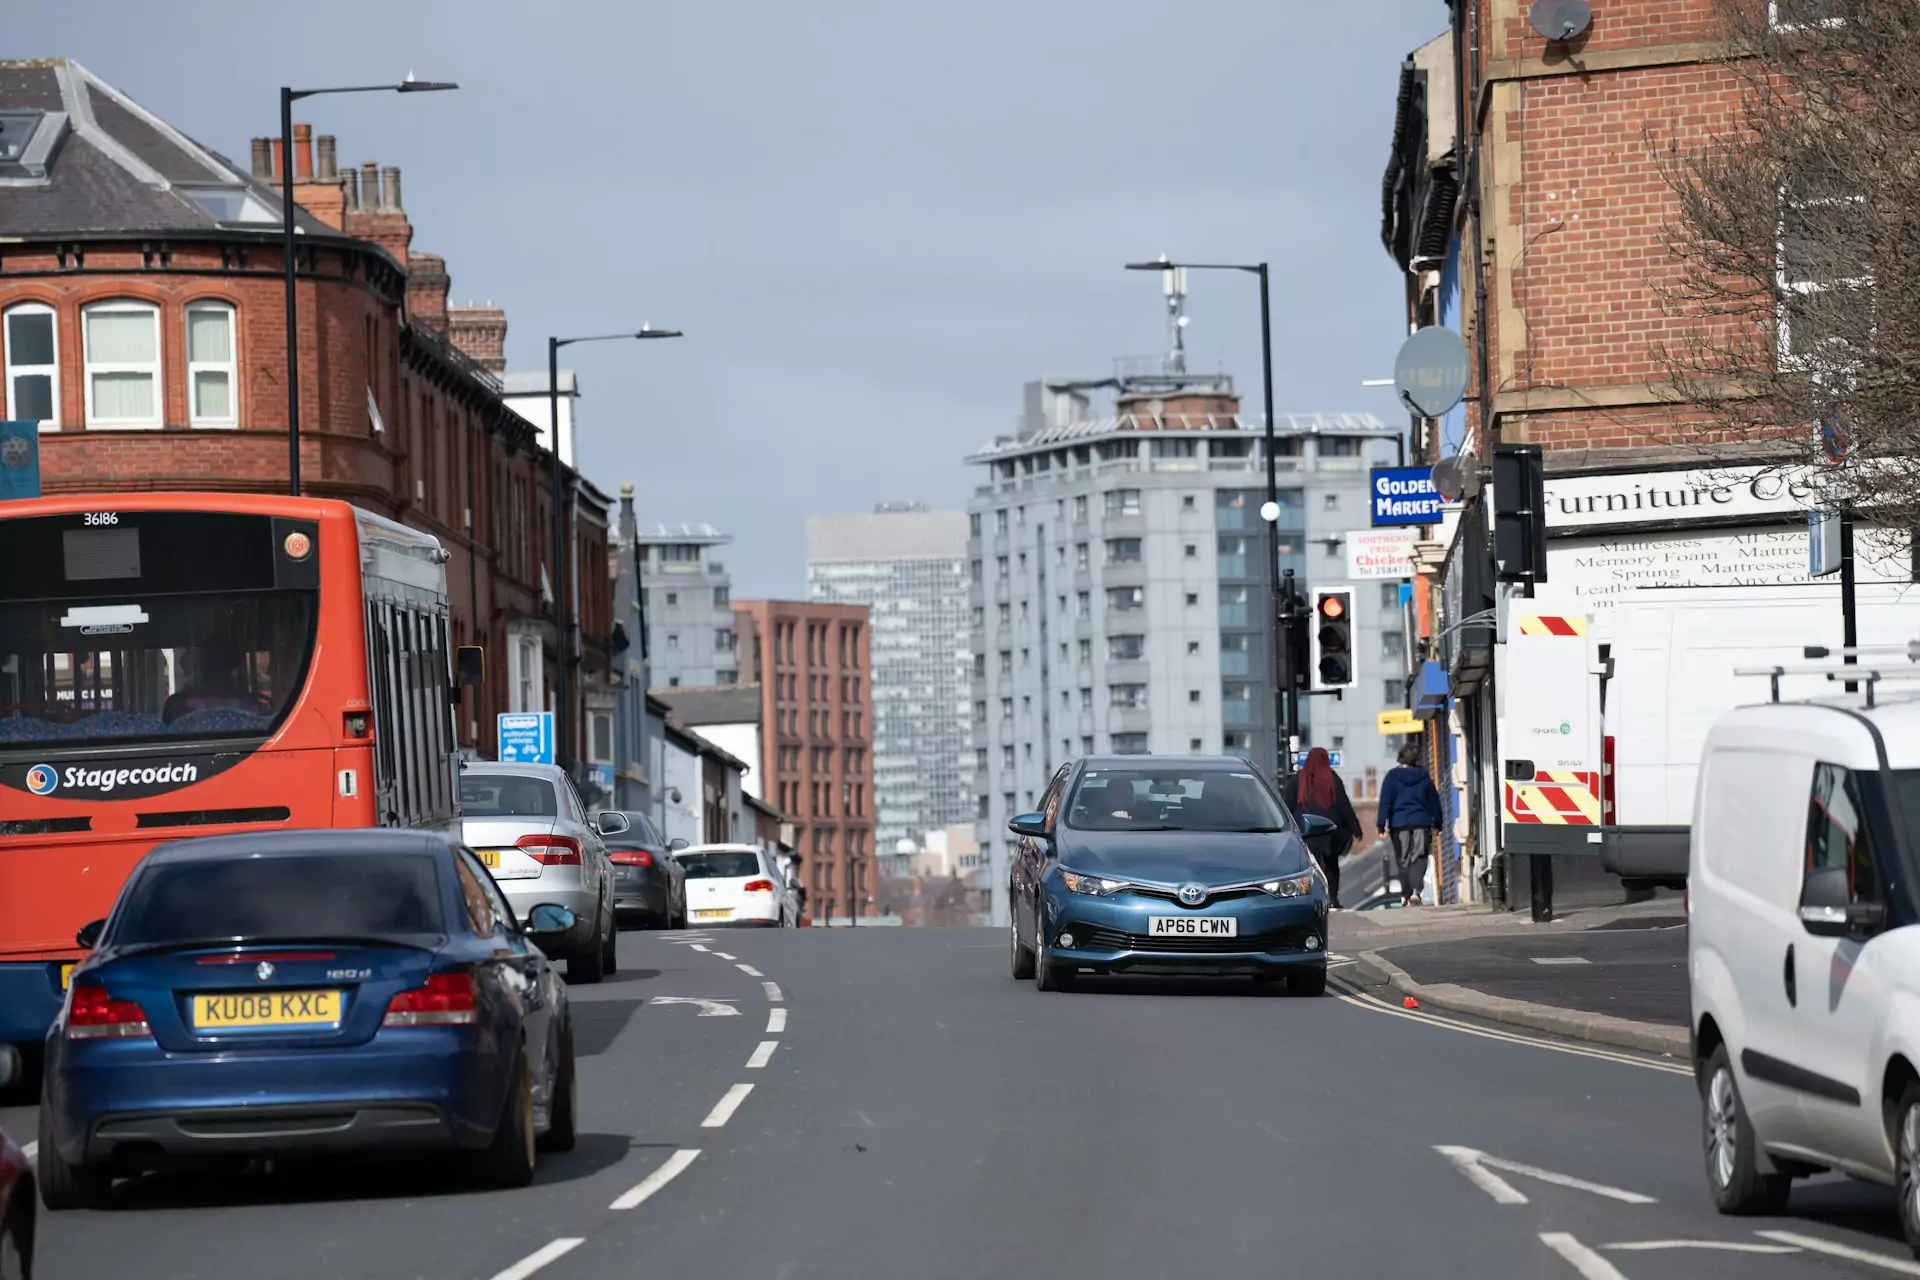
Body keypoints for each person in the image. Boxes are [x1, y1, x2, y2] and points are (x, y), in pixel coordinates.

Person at [1283, 747, 1362, 909]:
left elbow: (1286, 806)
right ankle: (1332, 898)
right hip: (1330, 833)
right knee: (1331, 865)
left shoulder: (1298, 780)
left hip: (1306, 833)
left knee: (1307, 868)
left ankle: (1307, 899)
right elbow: (1344, 806)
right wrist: (1356, 829)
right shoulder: (1332, 779)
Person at [1377, 741, 1444, 907]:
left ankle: (1406, 894)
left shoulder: (1392, 777)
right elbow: (1433, 801)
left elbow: (1385, 801)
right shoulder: (1424, 776)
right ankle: (1416, 891)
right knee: (1419, 856)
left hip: (1399, 824)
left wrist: (1381, 824)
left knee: (1403, 859)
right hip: (1421, 822)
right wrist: (1437, 822)